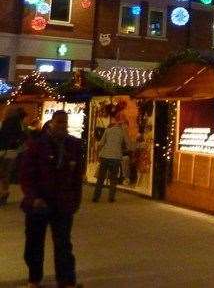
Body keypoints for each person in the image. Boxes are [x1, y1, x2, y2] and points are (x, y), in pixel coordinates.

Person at [20, 109, 83, 288]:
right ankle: (34, 279)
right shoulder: (37, 144)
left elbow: (77, 176)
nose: (63, 125)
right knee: (34, 244)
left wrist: (75, 200)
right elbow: (26, 174)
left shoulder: (73, 145)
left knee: (63, 244)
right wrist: (33, 197)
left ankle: (66, 280)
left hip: (62, 203)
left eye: (65, 122)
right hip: (38, 203)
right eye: (59, 122)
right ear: (51, 123)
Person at [92, 109, 131, 203]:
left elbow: (101, 143)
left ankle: (96, 197)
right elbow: (128, 144)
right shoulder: (123, 131)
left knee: (101, 178)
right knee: (113, 179)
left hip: (105, 155)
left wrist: (97, 154)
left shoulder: (108, 129)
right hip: (116, 157)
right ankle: (111, 198)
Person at [0, 106, 27, 205]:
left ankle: (3, 193)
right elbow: (22, 137)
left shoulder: (5, 122)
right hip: (12, 152)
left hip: (3, 150)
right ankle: (4, 192)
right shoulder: (19, 123)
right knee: (6, 173)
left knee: (2, 173)